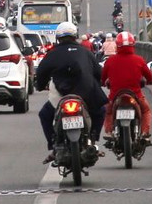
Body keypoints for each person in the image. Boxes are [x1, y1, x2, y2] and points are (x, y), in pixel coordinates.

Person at [33, 21, 106, 165]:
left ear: (58, 38)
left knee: (45, 115)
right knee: (101, 111)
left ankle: (53, 145)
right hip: (86, 95)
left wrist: (40, 86)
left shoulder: (52, 54)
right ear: (75, 36)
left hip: (61, 95)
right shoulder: (85, 52)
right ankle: (92, 140)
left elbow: (41, 73)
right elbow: (99, 73)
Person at [101, 30, 152, 147]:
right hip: (136, 95)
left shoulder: (110, 61)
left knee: (108, 111)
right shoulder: (139, 60)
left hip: (115, 96)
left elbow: (103, 77)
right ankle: (145, 134)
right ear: (133, 45)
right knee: (146, 111)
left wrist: (103, 82)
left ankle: (109, 132)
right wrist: (150, 81)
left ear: (117, 45)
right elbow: (149, 76)